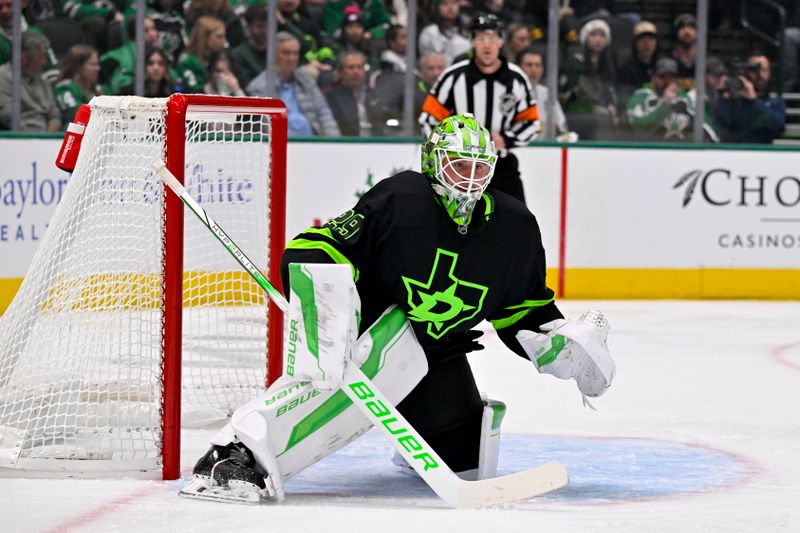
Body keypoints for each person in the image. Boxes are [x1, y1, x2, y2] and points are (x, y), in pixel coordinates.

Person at [180, 114, 616, 502]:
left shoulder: (514, 227)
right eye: (459, 165)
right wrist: (329, 307)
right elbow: (319, 247)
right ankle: (232, 454)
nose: (470, 178)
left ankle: (411, 439)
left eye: (481, 167)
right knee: (367, 370)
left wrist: (560, 343)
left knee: (467, 460)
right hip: (373, 336)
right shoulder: (401, 198)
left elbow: (523, 309)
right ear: (433, 163)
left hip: (436, 351)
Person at [419, 14, 539, 203]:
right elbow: (428, 119)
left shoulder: (516, 78)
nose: (487, 45)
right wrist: (449, 146)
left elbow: (531, 122)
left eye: (492, 38)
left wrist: (506, 140)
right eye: (481, 38)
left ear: (501, 42)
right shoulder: (453, 77)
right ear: (472, 42)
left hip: (501, 168)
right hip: (459, 167)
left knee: (517, 223)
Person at [247, 32, 340, 137]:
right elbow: (266, 125)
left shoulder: (307, 81)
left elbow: (324, 113)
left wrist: (333, 141)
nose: (291, 58)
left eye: (295, 53)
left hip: (313, 142)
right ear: (273, 54)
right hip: (281, 144)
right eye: (286, 53)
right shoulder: (259, 86)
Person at [627, 57, 715, 142]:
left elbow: (706, 127)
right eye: (662, 77)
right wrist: (665, 103)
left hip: (683, 152)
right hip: (650, 152)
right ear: (653, 78)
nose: (667, 81)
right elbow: (639, 130)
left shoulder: (685, 99)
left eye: (671, 77)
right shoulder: (640, 98)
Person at [559, 17, 618, 140]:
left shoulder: (609, 65)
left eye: (602, 35)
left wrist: (611, 105)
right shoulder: (575, 63)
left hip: (603, 119)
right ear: (585, 38)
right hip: (578, 116)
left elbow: (610, 92)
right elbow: (565, 96)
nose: (598, 39)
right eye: (593, 34)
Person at [713, 53, 786, 144]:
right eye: (755, 70)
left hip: (763, 153)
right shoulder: (733, 99)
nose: (760, 75)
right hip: (734, 152)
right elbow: (719, 127)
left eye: (764, 70)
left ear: (769, 73)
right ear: (747, 71)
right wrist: (723, 97)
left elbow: (778, 127)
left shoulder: (774, 102)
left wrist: (755, 101)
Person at [0, 31, 60, 131]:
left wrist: (48, 138)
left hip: (47, 138)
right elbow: (9, 116)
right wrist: (33, 141)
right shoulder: (3, 77)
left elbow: (54, 114)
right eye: (41, 56)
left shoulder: (42, 78)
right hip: (21, 139)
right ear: (24, 58)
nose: (45, 62)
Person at [517, 48, 571, 139]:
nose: (534, 70)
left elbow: (562, 128)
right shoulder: (509, 92)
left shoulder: (547, 94)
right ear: (519, 68)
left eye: (537, 65)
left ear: (542, 69)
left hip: (545, 149)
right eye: (529, 65)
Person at [99, 15, 160, 95]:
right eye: (146, 31)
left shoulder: (159, 55)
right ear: (135, 34)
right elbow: (120, 87)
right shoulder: (120, 57)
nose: (152, 34)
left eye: (153, 29)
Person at [326, 50, 372, 136]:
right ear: (340, 72)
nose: (356, 72)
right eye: (351, 67)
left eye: (359, 67)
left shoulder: (373, 94)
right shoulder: (331, 97)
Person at [615, 20, 660, 107]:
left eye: (650, 39)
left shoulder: (662, 66)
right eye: (642, 40)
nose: (647, 44)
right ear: (635, 43)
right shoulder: (626, 69)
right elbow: (624, 98)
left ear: (656, 42)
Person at [177, 15, 227, 93]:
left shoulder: (218, 58)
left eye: (224, 37)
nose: (223, 41)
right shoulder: (187, 61)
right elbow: (192, 92)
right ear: (205, 37)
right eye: (219, 37)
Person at [54, 44, 101, 126]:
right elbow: (77, 115)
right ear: (78, 67)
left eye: (97, 64)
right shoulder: (64, 88)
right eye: (92, 65)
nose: (97, 68)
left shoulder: (98, 89)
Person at [417, 0, 471, 66]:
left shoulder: (466, 32)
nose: (450, 7)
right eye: (445, 4)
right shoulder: (430, 32)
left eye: (454, 3)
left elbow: (470, 52)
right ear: (437, 8)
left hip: (465, 71)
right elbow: (425, 59)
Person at [231, 5, 268, 89]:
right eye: (259, 26)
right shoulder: (239, 54)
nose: (264, 31)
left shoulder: (277, 49)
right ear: (249, 26)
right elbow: (247, 85)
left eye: (266, 26)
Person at [671, 13, 697, 91]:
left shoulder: (705, 61)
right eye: (682, 28)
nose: (687, 31)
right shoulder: (669, 60)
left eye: (691, 27)